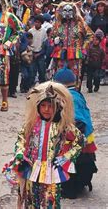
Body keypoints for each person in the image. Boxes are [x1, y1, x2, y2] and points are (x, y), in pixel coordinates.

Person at [6, 81, 83, 208]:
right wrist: (19, 153)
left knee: (50, 202)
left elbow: (80, 141)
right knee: (30, 201)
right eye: (43, 105)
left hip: (52, 171)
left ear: (57, 107)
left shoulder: (64, 126)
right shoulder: (31, 124)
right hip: (31, 169)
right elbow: (21, 139)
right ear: (38, 107)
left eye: (50, 106)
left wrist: (66, 157)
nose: (46, 109)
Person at [53, 68, 98, 199]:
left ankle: (71, 189)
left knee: (69, 161)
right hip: (86, 139)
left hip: (77, 139)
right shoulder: (77, 95)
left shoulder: (68, 98)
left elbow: (79, 121)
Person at [51, 2, 93, 88]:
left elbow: (90, 35)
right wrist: (54, 41)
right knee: (59, 77)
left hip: (75, 55)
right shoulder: (57, 25)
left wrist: (83, 48)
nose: (67, 13)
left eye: (69, 10)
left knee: (75, 77)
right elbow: (50, 37)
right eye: (65, 10)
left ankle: (75, 94)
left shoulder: (80, 24)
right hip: (60, 55)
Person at [28, 15, 47, 85]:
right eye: (35, 22)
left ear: (41, 23)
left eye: (38, 22)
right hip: (32, 53)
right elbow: (28, 43)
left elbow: (45, 44)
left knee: (42, 71)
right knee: (32, 71)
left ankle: (42, 85)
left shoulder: (44, 31)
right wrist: (31, 53)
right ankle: (31, 85)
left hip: (40, 53)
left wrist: (40, 53)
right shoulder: (31, 31)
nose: (36, 24)